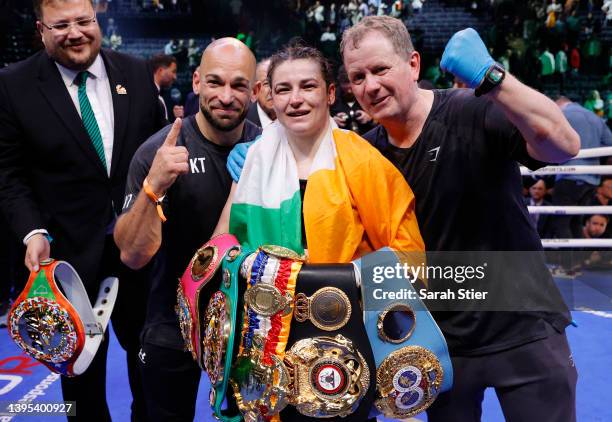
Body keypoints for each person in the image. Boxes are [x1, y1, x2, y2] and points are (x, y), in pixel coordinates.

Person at [340, 16, 579, 421]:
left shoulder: (473, 110)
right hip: (440, 346)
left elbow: (564, 145)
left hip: (523, 328)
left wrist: (494, 78)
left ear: (413, 65)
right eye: (358, 76)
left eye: (381, 69)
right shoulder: (362, 156)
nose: (371, 85)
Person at [0, 0, 166, 420]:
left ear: (97, 20)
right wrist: (32, 232)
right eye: (61, 25)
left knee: (150, 364)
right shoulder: (12, 84)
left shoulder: (135, 72)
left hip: (139, 253)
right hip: (65, 260)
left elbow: (154, 160)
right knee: (78, 385)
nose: (75, 32)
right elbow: (9, 175)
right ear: (41, 29)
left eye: (83, 21)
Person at [113, 38, 261, 421]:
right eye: (215, 82)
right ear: (196, 82)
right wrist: (154, 187)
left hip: (252, 329)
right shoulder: (156, 153)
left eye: (238, 85)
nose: (226, 96)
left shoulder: (270, 149)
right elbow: (131, 255)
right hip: (171, 323)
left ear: (255, 90)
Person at [220, 41, 424, 264]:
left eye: (308, 86)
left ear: (330, 94)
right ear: (272, 98)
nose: (295, 100)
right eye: (283, 89)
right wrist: (252, 266)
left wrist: (350, 278)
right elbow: (221, 247)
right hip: (264, 297)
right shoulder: (253, 159)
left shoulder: (363, 161)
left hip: (345, 297)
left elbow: (409, 252)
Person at [552, 96, 612, 238]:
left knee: (562, 222)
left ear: (558, 104)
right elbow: (609, 144)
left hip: (569, 175)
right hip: (591, 179)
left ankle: (567, 261)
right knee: (576, 222)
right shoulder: (595, 118)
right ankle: (578, 260)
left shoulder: (562, 114)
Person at [246, 57, 276, 128]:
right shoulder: (242, 120)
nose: (272, 90)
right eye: (266, 83)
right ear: (255, 90)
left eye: (277, 82)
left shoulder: (295, 117)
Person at [149, 53, 179, 121]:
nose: (175, 77)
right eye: (173, 71)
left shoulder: (157, 97)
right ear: (161, 71)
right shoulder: (149, 98)